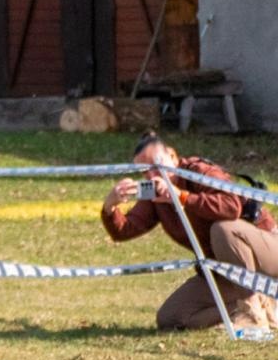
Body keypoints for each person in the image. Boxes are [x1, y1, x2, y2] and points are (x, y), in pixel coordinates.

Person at [101, 132, 278, 332]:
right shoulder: (157, 195)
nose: (152, 176)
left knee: (222, 230)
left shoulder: (199, 171)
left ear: (173, 157)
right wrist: (110, 206)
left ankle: (253, 314)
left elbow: (231, 206)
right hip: (223, 269)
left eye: (156, 167)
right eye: (145, 171)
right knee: (171, 317)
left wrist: (183, 197)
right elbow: (125, 230)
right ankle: (262, 305)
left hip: (267, 251)